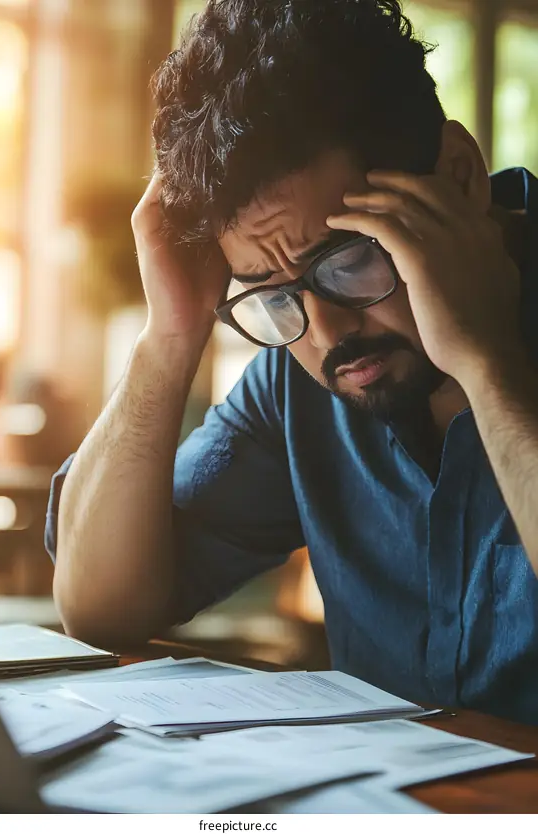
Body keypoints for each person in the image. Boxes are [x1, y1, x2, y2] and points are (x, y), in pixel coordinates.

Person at [46, 0, 538, 725]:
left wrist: (486, 361)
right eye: (270, 292)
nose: (329, 331)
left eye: (350, 259)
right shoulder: (296, 368)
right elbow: (98, 607)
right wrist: (170, 337)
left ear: (459, 178)